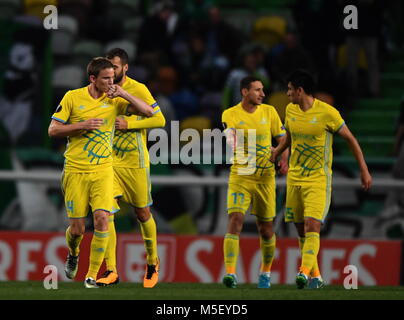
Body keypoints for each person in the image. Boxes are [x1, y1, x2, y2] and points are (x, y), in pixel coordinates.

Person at [48, 57, 154, 288]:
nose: (110, 82)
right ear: (93, 79)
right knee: (77, 229)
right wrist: (81, 126)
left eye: (113, 78)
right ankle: (74, 252)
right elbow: (53, 129)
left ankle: (91, 275)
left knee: (102, 218)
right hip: (76, 170)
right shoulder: (72, 97)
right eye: (106, 78)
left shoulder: (114, 99)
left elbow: (149, 112)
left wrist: (123, 94)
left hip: (104, 169)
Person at [271, 70, 372, 289]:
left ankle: (303, 272)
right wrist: (279, 152)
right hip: (295, 178)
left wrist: (364, 170)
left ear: (300, 90)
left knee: (312, 225)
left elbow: (351, 140)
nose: (287, 94)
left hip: (318, 179)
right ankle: (316, 276)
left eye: (290, 89)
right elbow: (289, 136)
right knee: (300, 228)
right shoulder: (290, 110)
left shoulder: (328, 113)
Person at [94, 48, 165, 288]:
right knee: (106, 212)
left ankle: (153, 262)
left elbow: (159, 119)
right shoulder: (102, 90)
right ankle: (111, 270)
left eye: (115, 67)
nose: (111, 72)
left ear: (125, 68)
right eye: (108, 67)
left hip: (135, 161)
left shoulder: (138, 88)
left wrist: (130, 123)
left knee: (142, 213)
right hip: (109, 160)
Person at [221, 76, 288, 289]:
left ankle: (265, 273)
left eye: (262, 90)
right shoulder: (230, 114)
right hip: (241, 175)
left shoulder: (269, 112)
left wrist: (282, 157)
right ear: (244, 92)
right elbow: (230, 136)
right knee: (235, 219)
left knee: (266, 228)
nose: (262, 94)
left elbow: (283, 139)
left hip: (265, 178)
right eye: (257, 90)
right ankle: (230, 273)